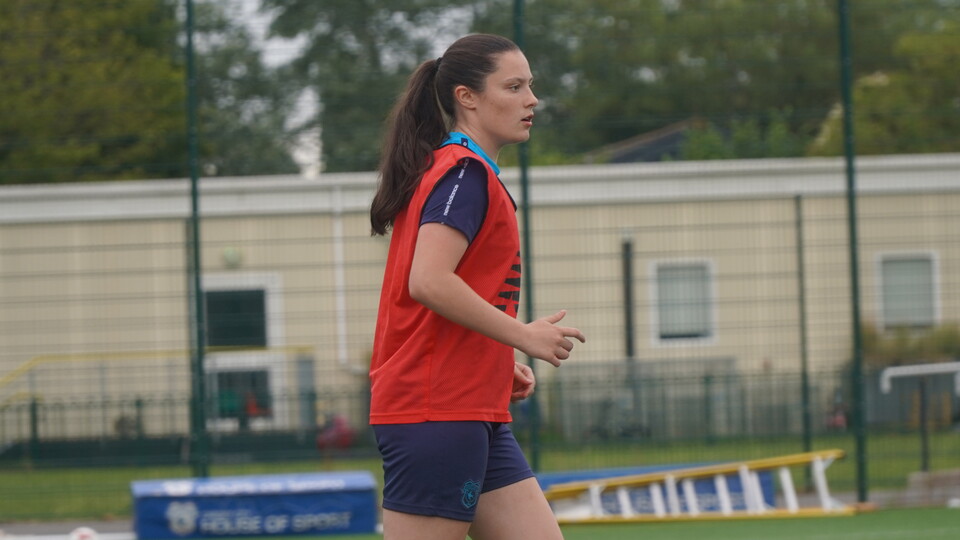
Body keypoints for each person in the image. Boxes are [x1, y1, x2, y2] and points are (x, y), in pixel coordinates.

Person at [368, 34, 586, 540]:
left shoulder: (466, 170)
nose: (531, 99)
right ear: (467, 97)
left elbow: (448, 295)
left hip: (470, 407)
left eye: (530, 85)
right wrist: (521, 335)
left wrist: (490, 358)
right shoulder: (464, 173)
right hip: (435, 412)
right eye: (513, 86)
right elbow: (428, 281)